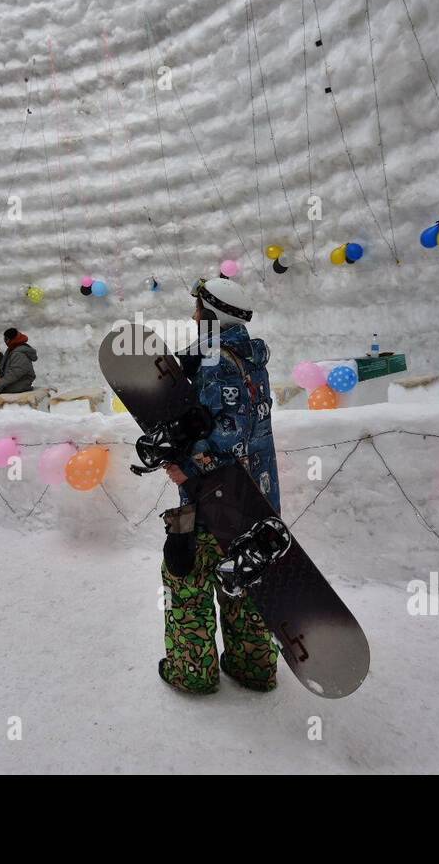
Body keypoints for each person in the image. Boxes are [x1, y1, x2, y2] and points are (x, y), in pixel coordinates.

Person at [156, 277, 281, 695]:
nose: (193, 317)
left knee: (186, 580)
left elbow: (230, 429)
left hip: (213, 498)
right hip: (255, 500)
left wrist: (188, 467)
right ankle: (253, 666)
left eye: (198, 310)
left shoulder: (217, 361)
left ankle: (192, 672)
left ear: (211, 315)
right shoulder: (251, 359)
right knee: (243, 580)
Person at [0, 327, 38, 402]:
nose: (5, 341)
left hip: (20, 385)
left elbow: (13, 374)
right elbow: (8, 365)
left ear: (12, 339)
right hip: (17, 382)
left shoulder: (19, 353)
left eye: (6, 339)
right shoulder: (15, 348)